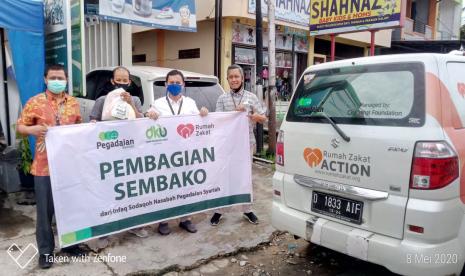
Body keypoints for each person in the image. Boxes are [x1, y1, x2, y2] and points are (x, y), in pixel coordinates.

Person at [17, 64, 83, 269]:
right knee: (45, 212)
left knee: (71, 208)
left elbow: (79, 127)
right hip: (44, 166)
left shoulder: (73, 102)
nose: (57, 81)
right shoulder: (35, 102)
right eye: (53, 77)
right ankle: (46, 252)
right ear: (46, 79)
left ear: (66, 80)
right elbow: (20, 126)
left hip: (69, 165)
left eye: (60, 78)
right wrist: (33, 129)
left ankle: (71, 244)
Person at [145, 69, 208, 235]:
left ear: (183, 84)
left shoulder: (190, 103)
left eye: (177, 83)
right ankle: (163, 220)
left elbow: (199, 124)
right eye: (171, 83)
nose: (174, 85)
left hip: (186, 153)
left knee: (186, 185)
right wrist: (148, 114)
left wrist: (204, 114)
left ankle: (185, 219)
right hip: (166, 154)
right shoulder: (158, 103)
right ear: (166, 85)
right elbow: (149, 122)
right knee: (166, 186)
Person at [89, 66, 147, 240]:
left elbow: (141, 121)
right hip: (108, 154)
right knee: (107, 191)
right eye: (118, 80)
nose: (121, 83)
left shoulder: (135, 99)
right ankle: (105, 230)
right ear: (112, 81)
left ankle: (134, 225)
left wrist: (130, 104)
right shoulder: (101, 100)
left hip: (129, 153)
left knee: (131, 192)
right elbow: (93, 122)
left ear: (129, 82)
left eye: (125, 80)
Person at [210, 64, 267, 226]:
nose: (234, 79)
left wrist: (249, 114)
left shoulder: (251, 97)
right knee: (224, 176)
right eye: (231, 77)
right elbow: (218, 121)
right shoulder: (222, 99)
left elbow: (263, 118)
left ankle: (247, 209)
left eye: (237, 76)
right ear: (227, 79)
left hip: (247, 144)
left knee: (245, 178)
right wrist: (233, 114)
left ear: (242, 78)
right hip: (227, 146)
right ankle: (219, 210)